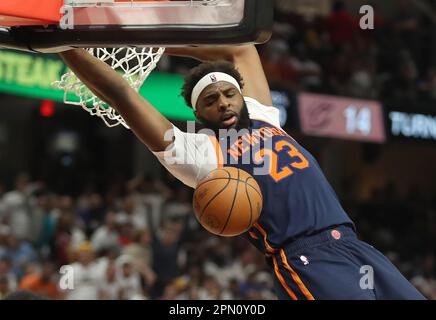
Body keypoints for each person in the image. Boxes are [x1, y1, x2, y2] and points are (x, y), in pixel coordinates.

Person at [58, 45, 425, 300]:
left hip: (353, 244)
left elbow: (243, 50)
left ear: (240, 95)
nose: (223, 103)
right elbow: (121, 93)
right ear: (199, 114)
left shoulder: (264, 116)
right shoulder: (199, 152)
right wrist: (65, 44)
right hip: (305, 257)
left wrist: (160, 43)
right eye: (211, 100)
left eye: (228, 93)